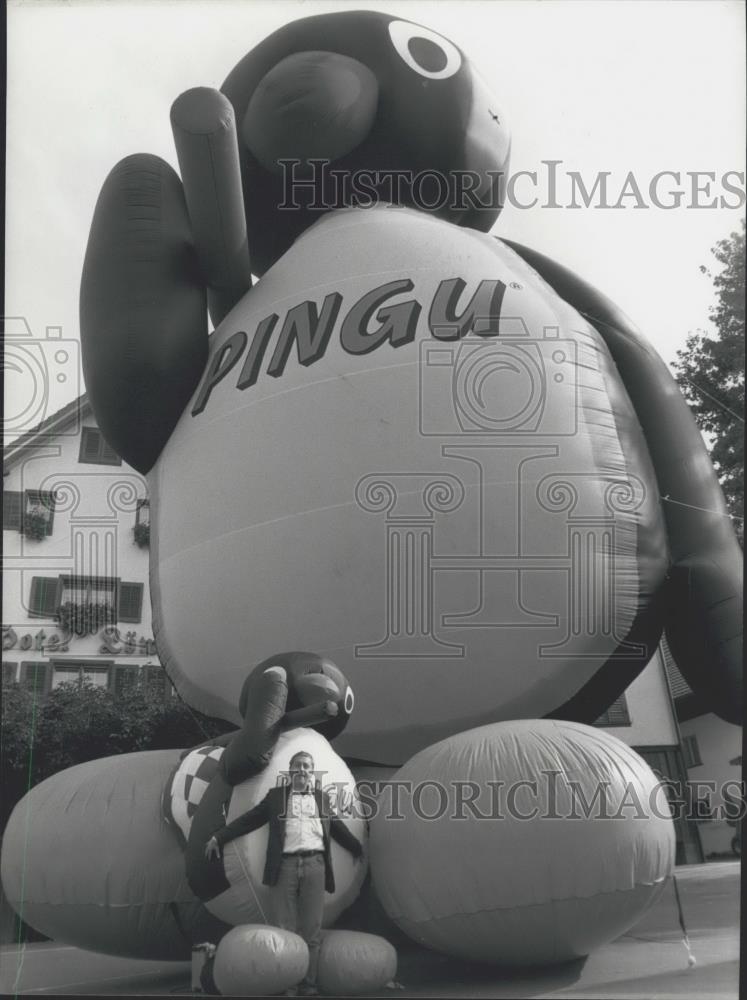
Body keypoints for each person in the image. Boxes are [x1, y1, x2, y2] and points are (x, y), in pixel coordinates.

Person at [205, 750, 364, 996]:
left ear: (312, 773)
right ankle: (288, 984)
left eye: (307, 767)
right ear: (290, 771)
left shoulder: (321, 798)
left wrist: (357, 848)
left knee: (311, 928)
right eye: (298, 765)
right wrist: (219, 836)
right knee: (284, 928)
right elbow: (250, 820)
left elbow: (337, 828)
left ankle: (308, 985)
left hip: (315, 865)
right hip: (285, 866)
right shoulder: (276, 796)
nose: (302, 770)